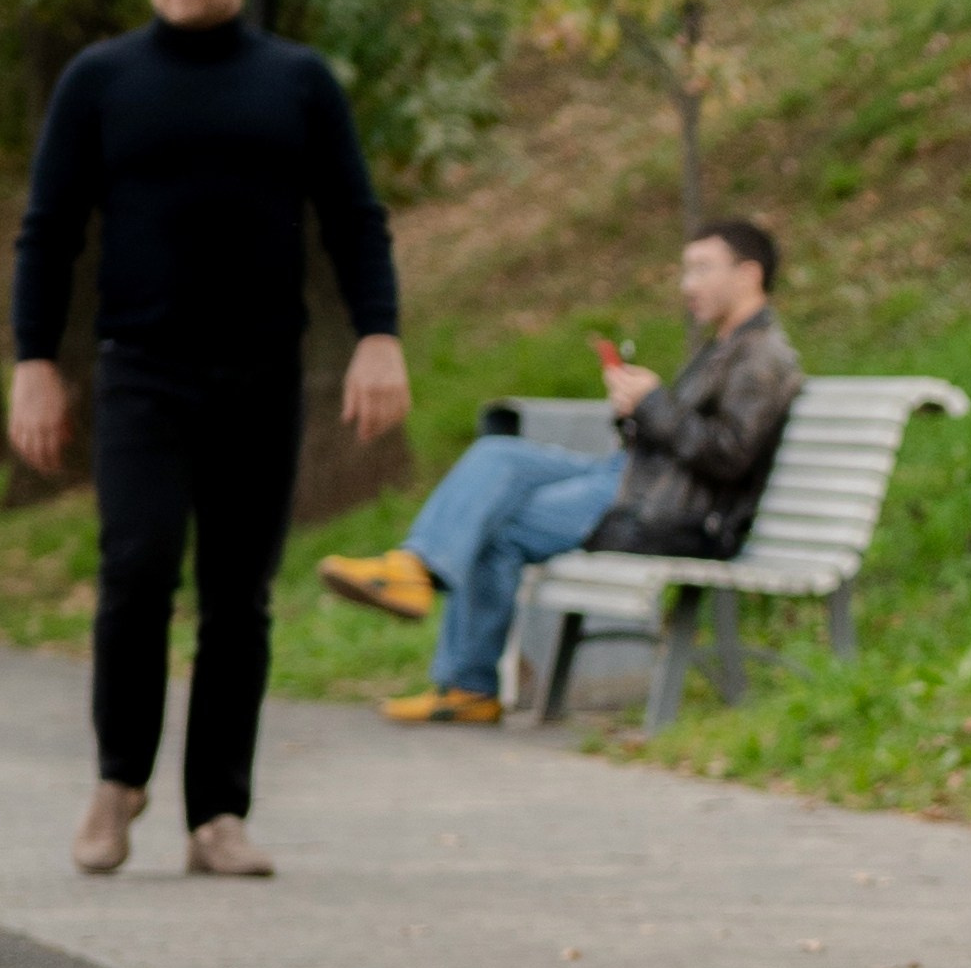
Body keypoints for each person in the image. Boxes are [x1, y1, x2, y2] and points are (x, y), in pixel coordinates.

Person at [10, 0, 410, 879]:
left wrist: (378, 336)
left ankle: (217, 814)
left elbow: (354, 218)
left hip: (262, 375)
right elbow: (47, 231)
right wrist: (31, 364)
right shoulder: (100, 80)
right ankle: (117, 779)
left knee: (239, 594)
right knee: (137, 567)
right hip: (140, 371)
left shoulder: (298, 82)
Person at [319, 217, 800, 725]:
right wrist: (634, 413)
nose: (688, 286)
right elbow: (682, 440)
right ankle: (412, 569)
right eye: (686, 271)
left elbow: (728, 456)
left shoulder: (763, 357)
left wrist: (655, 402)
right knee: (499, 454)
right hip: (635, 484)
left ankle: (466, 683)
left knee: (499, 522)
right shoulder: (726, 348)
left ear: (748, 275)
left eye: (702, 269)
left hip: (668, 514)